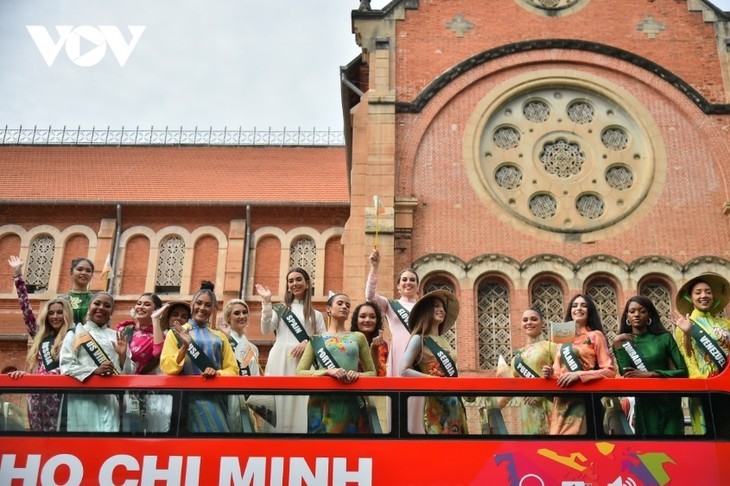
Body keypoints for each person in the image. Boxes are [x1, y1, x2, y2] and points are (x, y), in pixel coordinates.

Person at [160, 281, 239, 433]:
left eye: (208, 305)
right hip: (184, 401)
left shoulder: (220, 337)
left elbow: (233, 370)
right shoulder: (175, 333)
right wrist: (184, 348)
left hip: (214, 401)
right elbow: (167, 367)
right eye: (199, 303)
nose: (202, 308)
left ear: (214, 309)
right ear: (192, 304)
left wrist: (217, 374)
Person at [7, 255, 74, 431]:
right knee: (37, 436)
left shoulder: (72, 337)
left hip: (59, 395)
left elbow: (72, 368)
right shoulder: (40, 336)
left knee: (57, 437)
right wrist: (18, 274)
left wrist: (45, 377)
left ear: (66, 315)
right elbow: (26, 309)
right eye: (51, 313)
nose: (55, 316)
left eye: (59, 312)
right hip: (36, 395)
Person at [255, 267, 326, 433]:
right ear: (287, 285)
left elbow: (323, 341)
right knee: (278, 400)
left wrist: (308, 343)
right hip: (279, 358)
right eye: (291, 281)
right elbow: (266, 329)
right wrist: (266, 302)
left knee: (301, 402)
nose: (295, 283)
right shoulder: (280, 309)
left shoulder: (316, 315)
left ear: (307, 283)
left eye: (299, 279)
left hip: (304, 363)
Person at [296, 293, 376, 433]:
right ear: (328, 309)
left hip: (349, 399)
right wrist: (327, 371)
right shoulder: (316, 340)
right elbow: (300, 372)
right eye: (340, 303)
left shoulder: (358, 337)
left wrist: (357, 375)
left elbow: (372, 373)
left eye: (348, 305)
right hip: (321, 400)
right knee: (321, 447)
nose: (344, 307)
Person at [365, 249, 423, 432]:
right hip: (398, 355)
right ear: (398, 286)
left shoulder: (424, 307)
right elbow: (370, 296)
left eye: (412, 280)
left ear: (418, 286)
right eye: (404, 280)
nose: (408, 282)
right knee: (398, 399)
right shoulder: (391, 305)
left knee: (418, 401)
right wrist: (374, 267)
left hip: (419, 359)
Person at [612, 295, 688, 436]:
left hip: (669, 401)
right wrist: (617, 344)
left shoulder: (664, 338)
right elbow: (626, 374)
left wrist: (652, 374)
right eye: (632, 311)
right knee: (650, 452)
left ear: (649, 315)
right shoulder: (623, 343)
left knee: (674, 449)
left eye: (642, 311)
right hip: (646, 404)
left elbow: (683, 371)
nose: (637, 315)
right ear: (627, 316)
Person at [60, 292, 135, 432]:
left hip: (110, 401)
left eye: (107, 306)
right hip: (82, 401)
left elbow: (129, 375)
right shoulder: (75, 334)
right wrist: (94, 371)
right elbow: (66, 366)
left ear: (111, 311)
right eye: (97, 303)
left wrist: (123, 356)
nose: (101, 307)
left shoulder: (117, 336)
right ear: (89, 307)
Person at [542, 294, 615, 435]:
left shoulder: (595, 336)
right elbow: (558, 374)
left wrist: (578, 374)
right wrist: (550, 374)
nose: (578, 308)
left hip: (584, 401)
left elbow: (610, 371)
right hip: (562, 403)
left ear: (590, 311)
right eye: (575, 305)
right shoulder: (562, 341)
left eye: (583, 305)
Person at [400, 290, 467, 434]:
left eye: (442, 307)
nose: (441, 310)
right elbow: (403, 371)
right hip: (435, 403)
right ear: (426, 311)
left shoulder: (445, 341)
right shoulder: (419, 339)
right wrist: (432, 379)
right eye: (436, 306)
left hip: (455, 401)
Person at [672, 274, 730, 434]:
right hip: (704, 389)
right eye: (698, 292)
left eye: (708, 292)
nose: (704, 296)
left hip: (727, 387)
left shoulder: (725, 324)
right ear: (690, 298)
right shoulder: (685, 325)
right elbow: (687, 358)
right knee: (710, 438)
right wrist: (688, 333)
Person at [500, 306, 558, 435]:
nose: (529, 323)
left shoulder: (552, 347)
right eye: (525, 320)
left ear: (542, 323)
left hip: (549, 407)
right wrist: (494, 407)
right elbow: (511, 388)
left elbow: (563, 374)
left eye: (533, 319)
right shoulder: (517, 356)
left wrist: (542, 390)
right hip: (528, 412)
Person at [219, 299, 260, 432]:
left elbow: (255, 377)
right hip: (230, 397)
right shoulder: (222, 341)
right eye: (237, 313)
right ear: (228, 318)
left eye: (244, 312)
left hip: (248, 399)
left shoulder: (253, 348)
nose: (242, 316)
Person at [350, 301, 388, 377]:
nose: (367, 320)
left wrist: (374, 349)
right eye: (363, 316)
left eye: (372, 317)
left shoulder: (381, 344)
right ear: (356, 320)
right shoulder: (348, 342)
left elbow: (377, 374)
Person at [59, 257, 95, 325]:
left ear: (92, 275)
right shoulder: (60, 300)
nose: (84, 273)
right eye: (80, 269)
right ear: (71, 272)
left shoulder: (96, 300)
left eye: (88, 271)